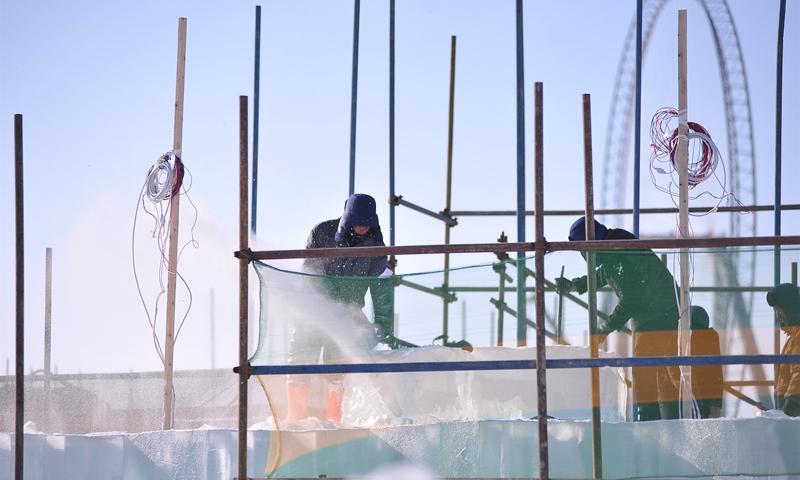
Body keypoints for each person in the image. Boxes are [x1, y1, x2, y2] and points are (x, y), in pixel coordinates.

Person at [555, 216, 682, 421]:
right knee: (665, 372)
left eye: (581, 249)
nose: (583, 254)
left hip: (654, 316)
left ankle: (649, 423)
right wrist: (574, 285)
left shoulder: (614, 256)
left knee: (643, 371)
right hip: (669, 309)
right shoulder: (617, 241)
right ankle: (672, 420)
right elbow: (605, 274)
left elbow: (630, 300)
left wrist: (605, 327)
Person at [284, 193, 394, 425]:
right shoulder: (322, 233)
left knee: (336, 368)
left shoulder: (375, 246)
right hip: (311, 314)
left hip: (345, 320)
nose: (363, 227)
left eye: (368, 223)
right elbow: (311, 270)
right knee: (302, 362)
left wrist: (383, 321)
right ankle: (294, 419)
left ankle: (334, 421)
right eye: (358, 222)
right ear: (348, 219)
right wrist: (337, 303)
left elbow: (382, 285)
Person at [766, 283, 800, 417]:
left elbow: (799, 370)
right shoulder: (792, 339)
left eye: (779, 311)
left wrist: (792, 402)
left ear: (790, 309)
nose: (778, 316)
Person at [689, 305, 723, 418]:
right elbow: (716, 373)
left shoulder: (683, 337)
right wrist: (717, 404)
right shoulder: (711, 338)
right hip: (708, 397)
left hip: (685, 393)